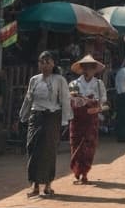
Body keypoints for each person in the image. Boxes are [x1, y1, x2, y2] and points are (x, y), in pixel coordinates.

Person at [19, 50, 72, 197]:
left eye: (47, 62)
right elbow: (28, 99)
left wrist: (64, 120)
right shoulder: (34, 80)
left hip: (52, 117)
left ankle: (48, 185)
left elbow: (65, 100)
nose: (44, 65)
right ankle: (35, 185)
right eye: (41, 62)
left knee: (48, 150)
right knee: (32, 148)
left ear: (53, 63)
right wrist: (23, 115)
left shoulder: (59, 80)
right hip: (35, 117)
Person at [68, 54, 107, 184]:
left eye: (90, 67)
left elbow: (104, 101)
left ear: (94, 69)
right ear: (81, 68)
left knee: (89, 146)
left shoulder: (99, 84)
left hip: (91, 119)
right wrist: (81, 100)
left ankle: (84, 173)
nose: (87, 70)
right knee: (75, 144)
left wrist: (96, 106)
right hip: (77, 119)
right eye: (85, 67)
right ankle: (77, 171)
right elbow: (70, 99)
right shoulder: (74, 84)